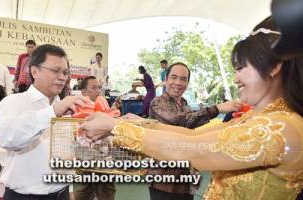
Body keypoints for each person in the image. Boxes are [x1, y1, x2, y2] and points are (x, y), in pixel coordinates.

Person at [81, 17, 303, 200]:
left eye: (242, 68)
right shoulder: (262, 118)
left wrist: (116, 126)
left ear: (274, 66)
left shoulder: (281, 127)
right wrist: (124, 123)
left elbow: (191, 149)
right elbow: (192, 135)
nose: (236, 78)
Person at [0, 44, 90, 200]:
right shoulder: (13, 102)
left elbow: (67, 154)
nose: (62, 77)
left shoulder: (68, 108)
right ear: (34, 71)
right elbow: (7, 138)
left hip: (62, 193)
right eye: (55, 70)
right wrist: (53, 112)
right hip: (25, 196)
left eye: (65, 72)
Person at [148, 62, 241, 200]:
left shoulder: (186, 105)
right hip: (164, 180)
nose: (178, 82)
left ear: (187, 83)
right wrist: (217, 108)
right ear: (166, 80)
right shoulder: (158, 103)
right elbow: (180, 121)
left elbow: (195, 132)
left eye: (183, 79)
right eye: (174, 77)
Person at [75, 75, 116, 200]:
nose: (98, 91)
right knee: (88, 187)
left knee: (105, 187)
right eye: (94, 88)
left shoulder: (102, 104)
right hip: (87, 153)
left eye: (99, 87)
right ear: (84, 92)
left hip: (104, 154)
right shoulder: (79, 108)